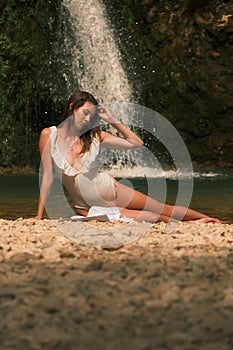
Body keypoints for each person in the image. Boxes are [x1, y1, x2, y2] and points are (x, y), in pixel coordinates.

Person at [31, 91, 220, 223]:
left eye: (92, 115)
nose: (88, 119)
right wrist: (39, 215)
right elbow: (47, 176)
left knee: (163, 209)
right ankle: (194, 224)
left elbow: (136, 143)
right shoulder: (49, 135)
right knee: (154, 218)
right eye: (85, 112)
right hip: (86, 207)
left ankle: (211, 219)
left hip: (111, 190)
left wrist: (111, 119)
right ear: (72, 107)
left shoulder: (96, 136)